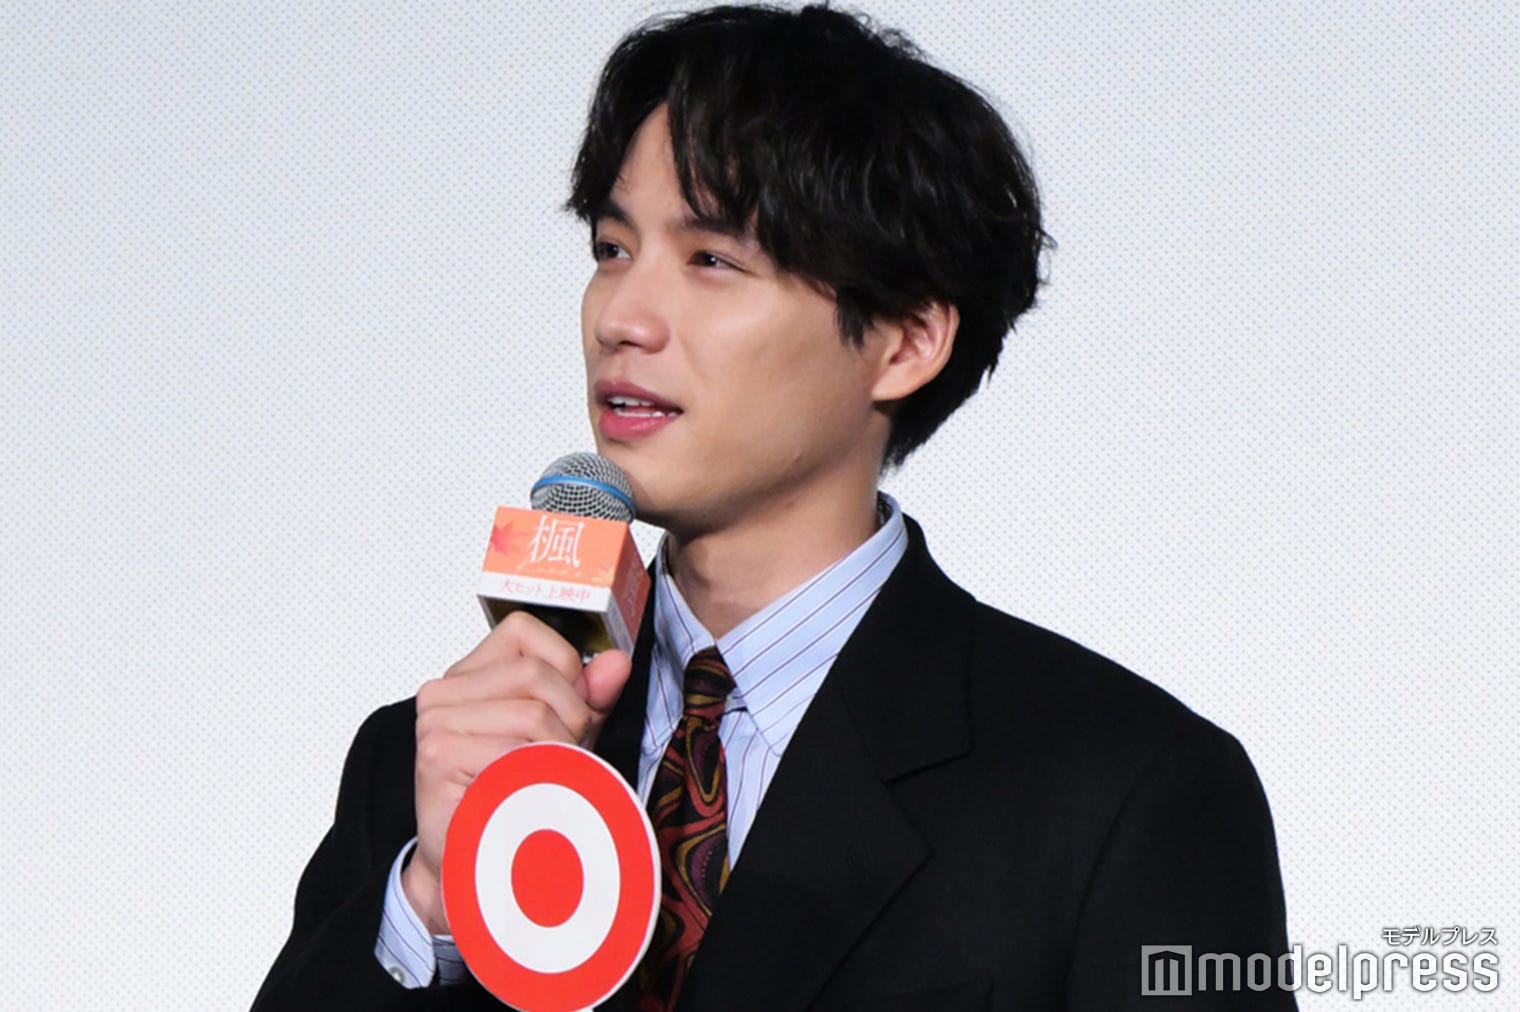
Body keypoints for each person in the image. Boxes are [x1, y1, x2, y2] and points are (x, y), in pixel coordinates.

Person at [255, 5, 1295, 1010]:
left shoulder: (1123, 791)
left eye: (711, 260)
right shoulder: (436, 760)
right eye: (611, 250)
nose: (622, 317)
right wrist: (432, 906)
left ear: (905, 340)